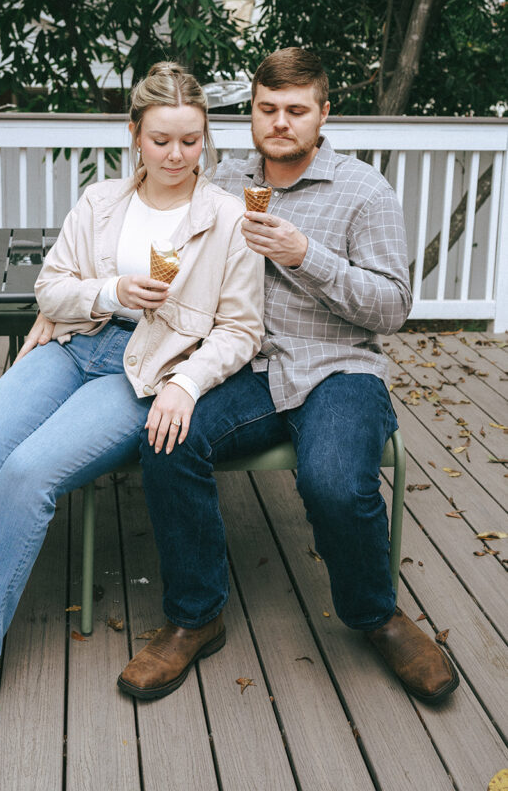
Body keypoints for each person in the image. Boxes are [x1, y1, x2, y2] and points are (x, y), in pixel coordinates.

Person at [0, 62, 264, 747]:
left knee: (29, 473)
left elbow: (241, 329)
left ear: (205, 139)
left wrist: (187, 382)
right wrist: (111, 293)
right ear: (134, 134)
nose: (178, 156)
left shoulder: (227, 221)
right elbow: (52, 290)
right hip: (72, 346)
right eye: (161, 140)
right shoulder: (99, 202)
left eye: (191, 141)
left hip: (141, 371)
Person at [117, 47, 459, 704]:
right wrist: (78, 302)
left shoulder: (363, 191)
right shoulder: (220, 185)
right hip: (246, 363)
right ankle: (196, 616)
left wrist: (309, 257)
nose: (279, 122)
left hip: (337, 367)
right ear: (250, 111)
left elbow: (391, 309)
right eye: (266, 109)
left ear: (323, 113)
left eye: (295, 111)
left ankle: (375, 616)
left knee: (332, 480)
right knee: (168, 441)